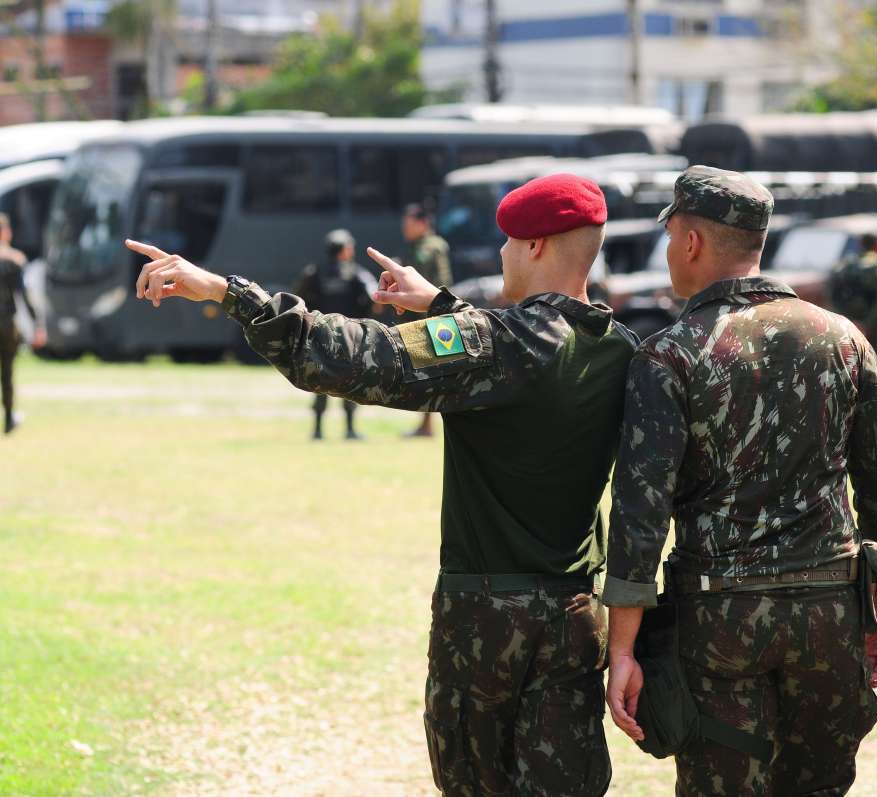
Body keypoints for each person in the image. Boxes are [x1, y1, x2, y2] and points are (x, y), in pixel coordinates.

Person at [126, 171, 636, 797]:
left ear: (534, 247)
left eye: (508, 241)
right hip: (577, 617)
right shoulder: (619, 350)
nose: (501, 253)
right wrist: (442, 306)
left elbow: (354, 354)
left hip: (486, 620)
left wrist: (230, 293)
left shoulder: (496, 344)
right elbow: (522, 350)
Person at [602, 165, 877, 796]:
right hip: (830, 614)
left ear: (690, 242)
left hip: (720, 621)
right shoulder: (845, 339)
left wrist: (623, 652)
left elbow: (641, 513)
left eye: (671, 239)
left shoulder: (670, 353)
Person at [293, 229, 376, 440]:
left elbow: (299, 301)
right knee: (349, 382)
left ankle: (318, 430)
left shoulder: (314, 273)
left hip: (319, 336)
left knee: (319, 381)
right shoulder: (357, 273)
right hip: (350, 337)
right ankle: (349, 429)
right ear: (345, 251)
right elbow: (373, 299)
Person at [397, 202, 453, 438]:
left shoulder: (432, 246)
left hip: (432, 317)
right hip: (423, 315)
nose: (404, 229)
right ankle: (425, 424)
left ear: (422, 224)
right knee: (425, 370)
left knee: (434, 370)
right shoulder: (417, 247)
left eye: (408, 224)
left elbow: (441, 280)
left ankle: (428, 425)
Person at [0, 213, 44, 435]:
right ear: (6, 232)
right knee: (7, 373)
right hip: (7, 323)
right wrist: (37, 324)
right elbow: (24, 297)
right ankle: (8, 420)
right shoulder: (14, 260)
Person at [828, 233, 877, 362]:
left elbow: (831, 291)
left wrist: (845, 320)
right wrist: (865, 324)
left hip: (847, 323)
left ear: (861, 244)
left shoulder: (845, 264)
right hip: (874, 326)